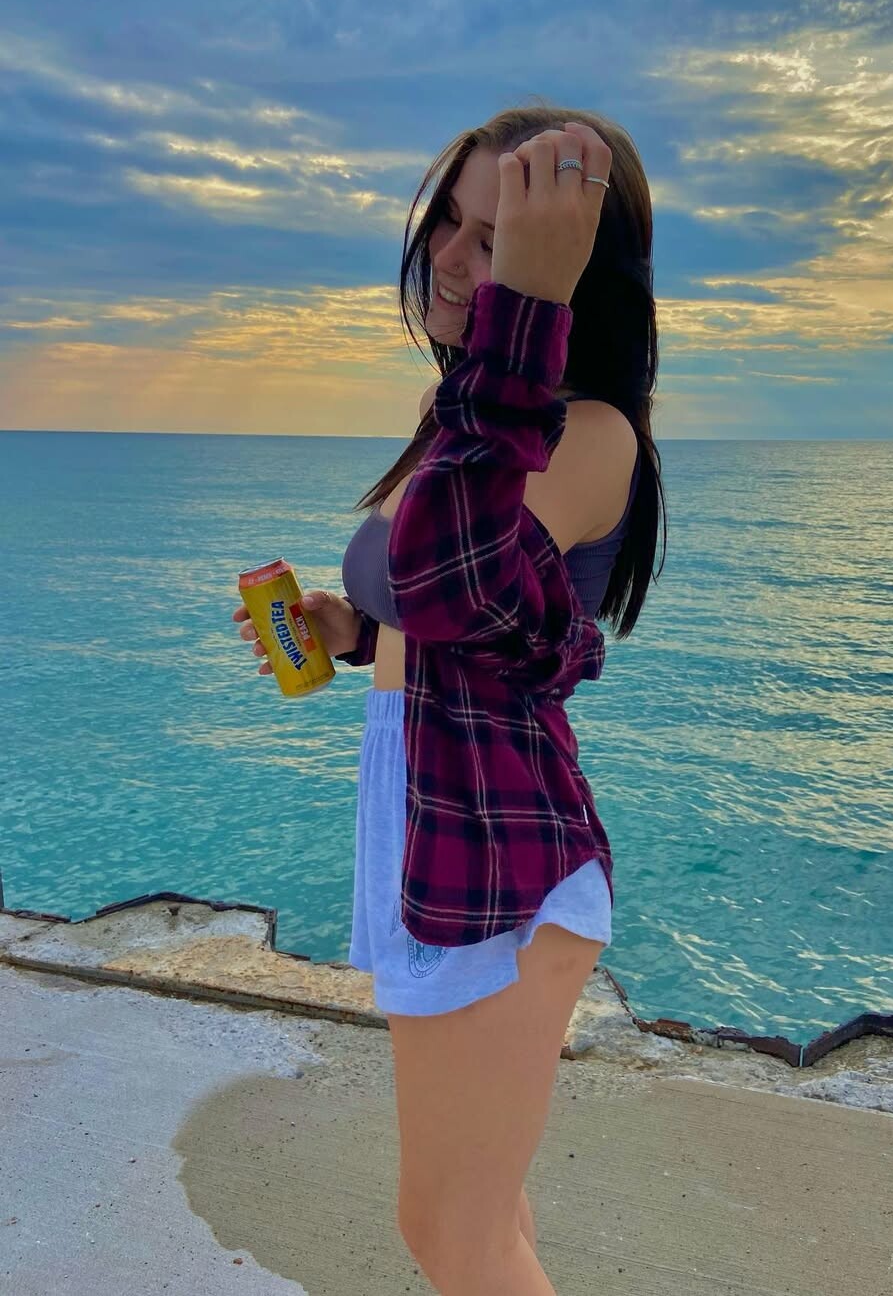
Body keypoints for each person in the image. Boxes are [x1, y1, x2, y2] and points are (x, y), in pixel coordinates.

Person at [232, 105, 666, 1295]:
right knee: (487, 1214)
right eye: (453, 227)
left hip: (502, 859)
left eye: (502, 238)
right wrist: (352, 631)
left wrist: (525, 312)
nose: (459, 261)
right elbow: (459, 609)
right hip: (437, 830)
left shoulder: (586, 433)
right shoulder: (471, 418)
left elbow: (446, 568)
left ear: (569, 267)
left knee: (450, 1232)